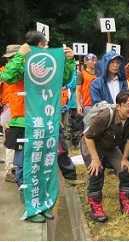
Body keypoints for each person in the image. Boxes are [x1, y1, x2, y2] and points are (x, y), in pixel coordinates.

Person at [0, 32, 76, 222]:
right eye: (46, 44)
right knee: (23, 164)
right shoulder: (21, 60)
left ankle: (42, 204)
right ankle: (30, 205)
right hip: (22, 122)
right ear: (40, 44)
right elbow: (7, 77)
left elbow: (64, 79)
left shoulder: (49, 61)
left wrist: (68, 61)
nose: (48, 47)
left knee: (44, 164)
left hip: (44, 120)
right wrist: (21, 55)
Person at [81, 91, 129, 222]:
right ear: (118, 106)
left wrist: (124, 158)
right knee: (96, 171)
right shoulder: (106, 116)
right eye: (127, 105)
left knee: (126, 169)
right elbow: (88, 136)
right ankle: (95, 207)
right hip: (91, 145)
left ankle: (125, 203)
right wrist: (95, 159)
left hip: (110, 147)